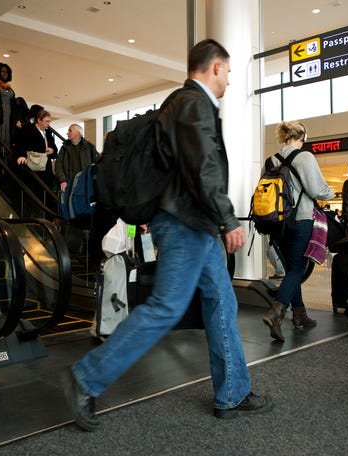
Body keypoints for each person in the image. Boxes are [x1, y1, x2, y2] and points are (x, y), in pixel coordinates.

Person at [61, 38, 273, 431]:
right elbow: (202, 168)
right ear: (214, 67)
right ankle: (85, 377)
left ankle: (233, 393)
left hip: (194, 223)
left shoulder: (183, 104)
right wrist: (228, 219)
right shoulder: (193, 104)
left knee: (222, 302)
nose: (228, 78)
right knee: (166, 307)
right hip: (185, 222)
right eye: (227, 70)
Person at [262, 121, 334, 342]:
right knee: (297, 270)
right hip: (300, 219)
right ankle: (277, 311)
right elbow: (316, 189)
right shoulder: (305, 157)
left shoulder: (271, 159)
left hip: (277, 222)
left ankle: (300, 315)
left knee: (292, 267)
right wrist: (330, 192)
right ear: (303, 137)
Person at [55, 124, 100, 256]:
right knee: (70, 215)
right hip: (70, 188)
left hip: (85, 189)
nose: (67, 132)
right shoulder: (64, 148)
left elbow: (96, 165)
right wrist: (62, 180)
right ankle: (71, 250)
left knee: (85, 214)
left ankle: (86, 251)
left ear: (78, 134)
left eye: (70, 130)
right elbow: (58, 165)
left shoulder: (89, 147)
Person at [15, 109, 58, 216]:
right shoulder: (28, 129)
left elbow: (54, 149)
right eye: (46, 121)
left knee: (46, 190)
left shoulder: (48, 132)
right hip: (32, 165)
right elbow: (20, 144)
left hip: (45, 167)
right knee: (33, 191)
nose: (48, 124)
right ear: (39, 120)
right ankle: (31, 216)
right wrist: (21, 155)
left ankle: (46, 217)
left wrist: (52, 150)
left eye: (49, 121)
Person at [0, 62, 17, 158]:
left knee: (6, 141)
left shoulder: (8, 87)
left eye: (7, 72)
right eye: (2, 71)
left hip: (8, 119)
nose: (5, 73)